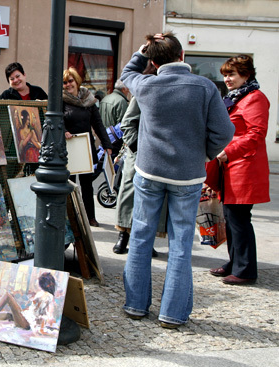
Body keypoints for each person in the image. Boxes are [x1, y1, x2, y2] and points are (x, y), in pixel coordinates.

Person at [120, 32, 234, 328]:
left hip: (149, 171)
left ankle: (135, 305)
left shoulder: (147, 84)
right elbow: (225, 132)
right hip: (188, 175)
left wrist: (142, 51)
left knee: (141, 237)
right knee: (181, 243)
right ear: (182, 56)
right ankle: (172, 313)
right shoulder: (205, 87)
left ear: (154, 62)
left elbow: (127, 73)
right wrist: (204, 154)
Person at [208, 55, 270, 285]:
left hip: (244, 167)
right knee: (231, 218)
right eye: (225, 74)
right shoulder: (237, 97)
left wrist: (228, 152)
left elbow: (255, 134)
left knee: (240, 219)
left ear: (246, 74)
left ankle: (245, 270)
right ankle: (235, 263)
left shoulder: (255, 98)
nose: (227, 79)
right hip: (231, 166)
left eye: (232, 74)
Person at [113, 63, 162, 257]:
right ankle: (123, 235)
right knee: (128, 190)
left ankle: (145, 240)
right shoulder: (143, 90)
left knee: (153, 197)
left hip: (159, 153)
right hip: (138, 151)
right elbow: (127, 123)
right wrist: (135, 146)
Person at [63, 67, 113, 227]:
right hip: (68, 148)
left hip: (85, 148)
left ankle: (90, 217)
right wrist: (64, 131)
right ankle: (70, 217)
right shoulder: (60, 99)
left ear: (77, 81)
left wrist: (107, 144)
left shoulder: (88, 99)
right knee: (69, 184)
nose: (68, 85)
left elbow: (98, 124)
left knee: (86, 185)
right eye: (64, 82)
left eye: (70, 81)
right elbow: (56, 120)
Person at [0, 272, 57, 336]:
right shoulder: (42, 293)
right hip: (24, 316)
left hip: (26, 322)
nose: (36, 282)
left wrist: (44, 326)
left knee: (7, 296)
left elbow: (48, 314)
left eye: (38, 281)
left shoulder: (47, 296)